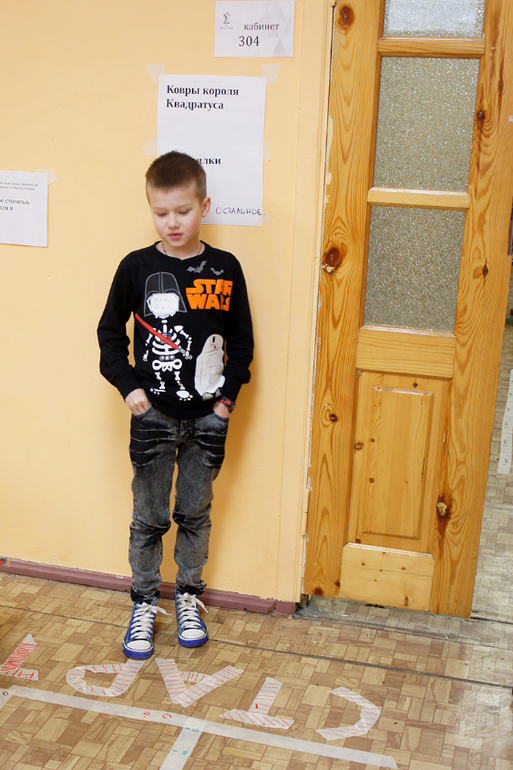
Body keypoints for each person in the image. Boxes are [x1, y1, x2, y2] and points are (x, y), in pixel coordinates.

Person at [97, 151, 253, 658]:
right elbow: (108, 334)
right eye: (161, 212)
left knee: (195, 513)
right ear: (150, 209)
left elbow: (242, 341)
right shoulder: (136, 267)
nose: (172, 223)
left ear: (203, 206)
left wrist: (226, 401)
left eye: (183, 211)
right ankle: (144, 602)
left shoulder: (225, 268)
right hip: (153, 418)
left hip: (208, 418)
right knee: (148, 517)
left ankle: (188, 595)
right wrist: (130, 390)